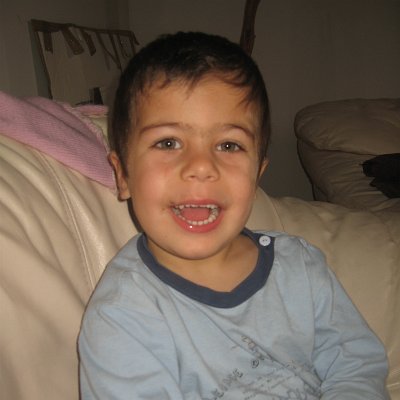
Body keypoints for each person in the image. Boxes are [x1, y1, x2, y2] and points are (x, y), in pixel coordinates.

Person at [78, 31, 389, 399]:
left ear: (257, 175)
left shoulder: (300, 268)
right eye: (168, 142)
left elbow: (357, 366)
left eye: (228, 145)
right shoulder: (123, 315)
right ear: (123, 175)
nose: (201, 166)